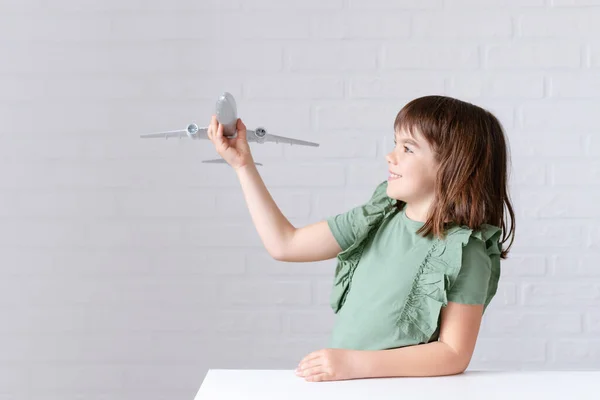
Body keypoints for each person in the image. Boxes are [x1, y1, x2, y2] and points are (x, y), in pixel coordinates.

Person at [206, 95, 516, 383]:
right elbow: (285, 244)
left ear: (453, 165)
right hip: (345, 387)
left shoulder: (464, 249)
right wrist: (243, 165)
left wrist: (353, 365)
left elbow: (453, 354)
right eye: (395, 143)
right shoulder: (378, 215)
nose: (390, 156)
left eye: (407, 148)